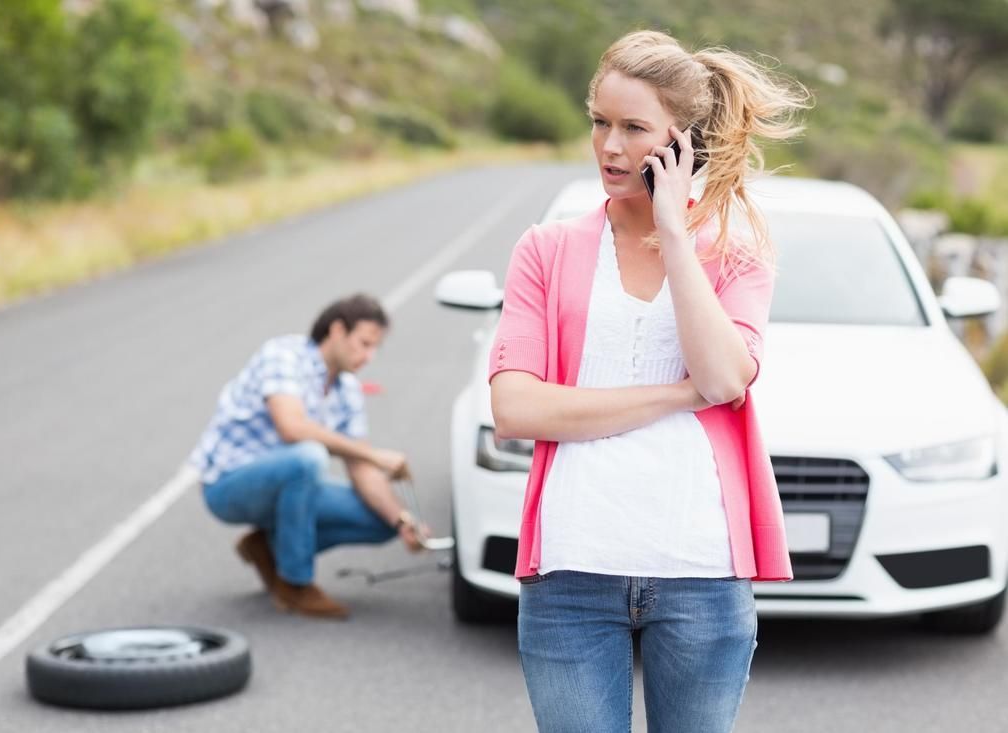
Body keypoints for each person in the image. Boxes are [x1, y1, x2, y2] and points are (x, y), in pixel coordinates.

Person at [489, 31, 811, 732]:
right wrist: (675, 395)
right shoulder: (545, 250)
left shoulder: (735, 255)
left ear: (682, 144)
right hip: (571, 570)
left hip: (702, 570)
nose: (608, 146)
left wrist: (673, 225)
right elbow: (515, 406)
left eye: (633, 128)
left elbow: (724, 374)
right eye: (599, 121)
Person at [188, 293, 427, 620]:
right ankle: (295, 584)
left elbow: (360, 470)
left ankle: (268, 548)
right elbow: (292, 427)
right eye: (364, 343)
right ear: (338, 330)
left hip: (289, 485)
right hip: (229, 486)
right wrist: (375, 456)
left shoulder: (348, 390)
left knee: (382, 520)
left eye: (375, 348)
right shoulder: (283, 355)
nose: (369, 356)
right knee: (309, 457)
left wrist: (403, 520)